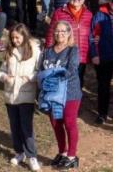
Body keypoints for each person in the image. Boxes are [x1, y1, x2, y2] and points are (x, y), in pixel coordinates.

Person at [38, 20, 81, 169]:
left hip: (70, 93)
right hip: (52, 94)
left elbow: (71, 70)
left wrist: (53, 77)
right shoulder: (47, 51)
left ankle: (72, 155)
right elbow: (40, 71)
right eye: (57, 31)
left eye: (63, 31)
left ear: (69, 33)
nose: (60, 34)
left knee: (69, 123)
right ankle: (62, 152)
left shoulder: (72, 50)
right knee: (56, 124)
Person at [0, 24, 42, 171]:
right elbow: (2, 70)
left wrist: (28, 78)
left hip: (26, 94)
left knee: (26, 126)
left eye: (17, 37)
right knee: (14, 126)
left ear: (24, 35)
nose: (15, 40)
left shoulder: (35, 50)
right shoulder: (9, 50)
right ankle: (19, 152)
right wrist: (5, 77)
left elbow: (39, 71)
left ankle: (32, 156)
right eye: (12, 38)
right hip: (10, 95)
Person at [46, 0, 93, 86]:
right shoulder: (59, 13)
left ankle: (76, 101)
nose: (76, 0)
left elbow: (92, 35)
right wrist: (48, 51)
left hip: (81, 55)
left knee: (78, 81)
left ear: (83, 0)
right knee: (62, 80)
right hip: (63, 53)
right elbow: (51, 33)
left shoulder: (89, 15)